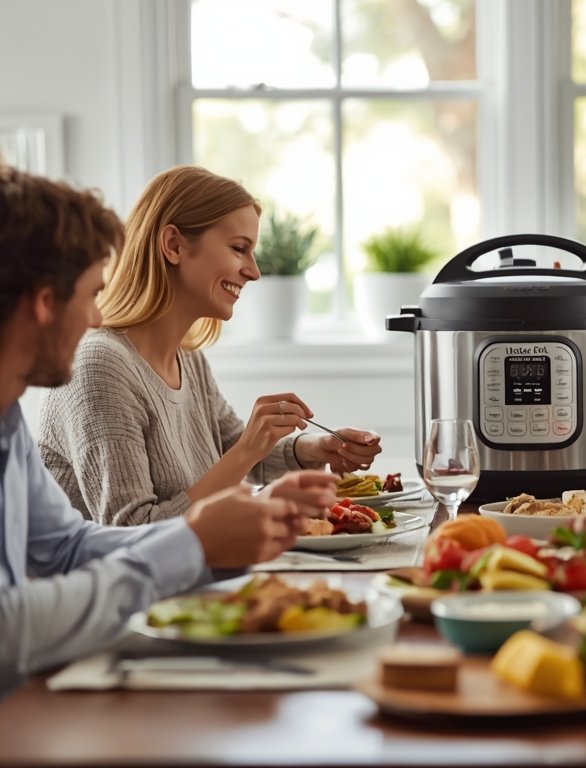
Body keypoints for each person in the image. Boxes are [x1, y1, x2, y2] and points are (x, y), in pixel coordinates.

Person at [0, 165, 339, 696]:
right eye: (90, 294)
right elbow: (11, 627)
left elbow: (66, 548)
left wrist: (216, 530)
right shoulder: (100, 362)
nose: (95, 318)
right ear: (45, 303)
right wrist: (194, 541)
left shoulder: (8, 422)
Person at [37, 165, 382, 526]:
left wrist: (316, 447)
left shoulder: (188, 359)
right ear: (173, 245)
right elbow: (131, 531)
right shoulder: (99, 365)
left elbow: (237, 457)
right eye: (238, 249)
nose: (254, 271)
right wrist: (248, 449)